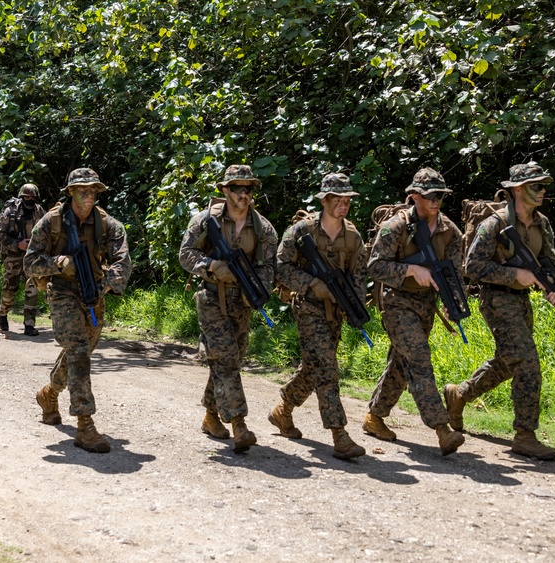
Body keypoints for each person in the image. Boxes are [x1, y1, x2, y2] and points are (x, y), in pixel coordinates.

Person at [444, 163, 555, 460]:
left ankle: (459, 394)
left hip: (522, 300)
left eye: (543, 185)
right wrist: (513, 276)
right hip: (496, 299)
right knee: (526, 361)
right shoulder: (494, 224)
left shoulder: (542, 223)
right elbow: (472, 267)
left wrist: (550, 289)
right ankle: (525, 435)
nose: (542, 191)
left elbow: (546, 262)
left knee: (508, 362)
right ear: (517, 189)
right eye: (537, 186)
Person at [26, 168, 131, 453]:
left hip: (94, 292)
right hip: (61, 291)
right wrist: (58, 263)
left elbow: (123, 261)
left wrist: (107, 284)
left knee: (81, 351)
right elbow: (30, 262)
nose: (89, 195)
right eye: (82, 190)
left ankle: (48, 394)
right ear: (70, 192)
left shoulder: (108, 224)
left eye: (93, 190)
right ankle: (85, 424)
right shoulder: (51, 222)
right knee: (79, 352)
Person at [363, 167, 467, 456]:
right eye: (430, 196)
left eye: (440, 196)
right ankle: (441, 429)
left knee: (402, 362)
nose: (435, 201)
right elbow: (375, 266)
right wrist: (410, 269)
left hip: (426, 305)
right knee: (419, 359)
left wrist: (452, 299)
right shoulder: (396, 227)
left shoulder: (449, 230)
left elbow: (455, 272)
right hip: (396, 301)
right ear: (414, 197)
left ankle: (375, 416)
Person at [179, 164, 278, 453]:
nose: (243, 193)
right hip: (211, 298)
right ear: (225, 190)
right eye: (237, 187)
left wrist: (258, 291)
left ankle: (211, 417)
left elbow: (270, 267)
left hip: (243, 302)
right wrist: (211, 266)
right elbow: (185, 255)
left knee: (226, 361)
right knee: (227, 360)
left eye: (248, 188)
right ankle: (239, 424)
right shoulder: (204, 221)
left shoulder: (263, 228)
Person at [269, 173, 367, 459]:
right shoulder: (302, 231)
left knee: (314, 367)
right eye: (337, 199)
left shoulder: (352, 236)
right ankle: (340, 434)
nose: (343, 204)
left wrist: (355, 306)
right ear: (324, 200)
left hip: (336, 310)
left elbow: (359, 275)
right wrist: (312, 284)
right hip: (308, 307)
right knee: (327, 366)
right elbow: (280, 266)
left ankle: (283, 410)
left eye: (347, 199)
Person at [0, 183, 46, 335]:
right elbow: (0, 236)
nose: (29, 199)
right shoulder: (10, 212)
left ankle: (29, 324)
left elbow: (49, 232)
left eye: (32, 197)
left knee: (32, 288)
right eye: (26, 197)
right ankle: (3, 313)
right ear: (21, 197)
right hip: (13, 255)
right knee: (10, 289)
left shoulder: (40, 212)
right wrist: (18, 244)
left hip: (32, 256)